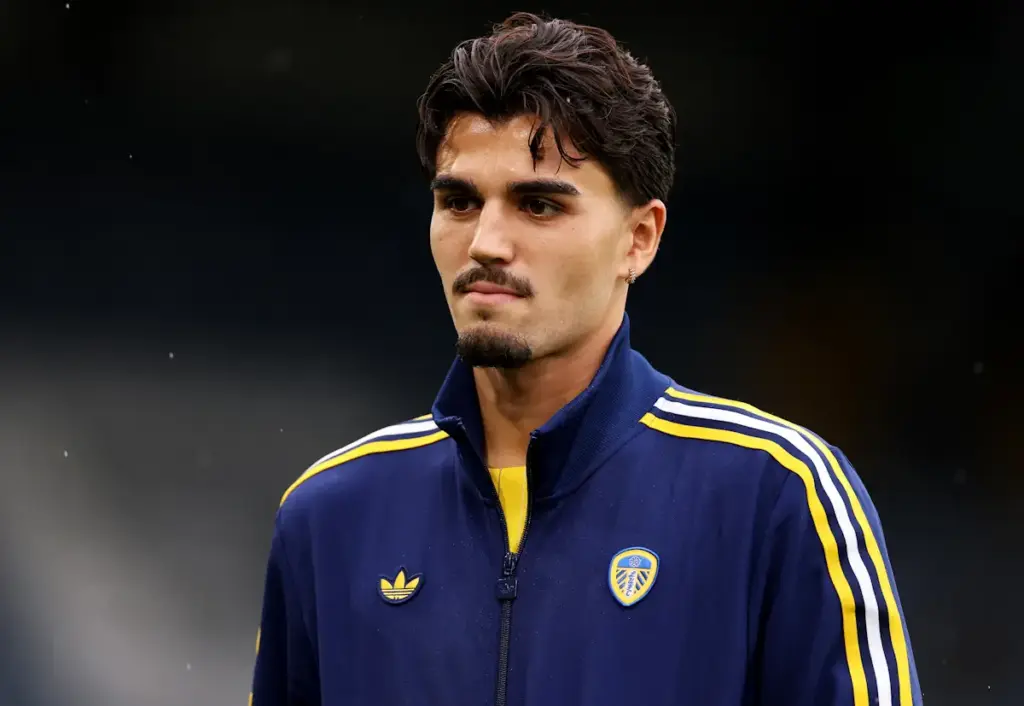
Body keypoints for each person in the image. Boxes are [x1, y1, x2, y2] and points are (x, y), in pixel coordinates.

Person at [249, 12, 922, 706]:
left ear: (640, 239)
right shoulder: (329, 515)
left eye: (538, 205)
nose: (485, 242)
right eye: (458, 201)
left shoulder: (778, 494)